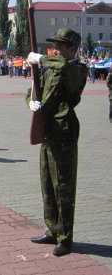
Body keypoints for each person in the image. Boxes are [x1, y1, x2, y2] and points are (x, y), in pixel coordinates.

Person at [26, 28, 88, 257]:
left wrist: (41, 58)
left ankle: (65, 237)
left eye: (61, 46)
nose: (56, 49)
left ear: (73, 48)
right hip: (48, 132)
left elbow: (63, 66)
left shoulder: (77, 69)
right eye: (55, 46)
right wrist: (31, 101)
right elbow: (35, 88)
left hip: (64, 133)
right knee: (47, 184)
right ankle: (52, 230)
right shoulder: (50, 68)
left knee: (63, 187)